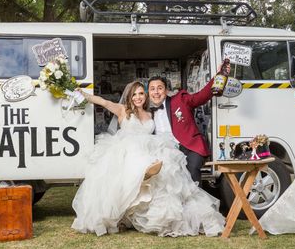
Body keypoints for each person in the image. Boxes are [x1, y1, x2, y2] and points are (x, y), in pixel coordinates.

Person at [71, 80, 225, 237]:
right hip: (127, 149)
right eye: (134, 94)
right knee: (134, 169)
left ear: (145, 96)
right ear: (129, 97)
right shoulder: (122, 110)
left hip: (147, 148)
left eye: (140, 94)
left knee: (163, 172)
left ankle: (150, 180)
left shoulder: (151, 113)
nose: (138, 97)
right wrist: (83, 94)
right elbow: (103, 101)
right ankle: (144, 174)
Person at [148, 61, 230, 183]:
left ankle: (195, 200)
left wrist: (220, 76)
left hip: (189, 147)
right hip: (164, 152)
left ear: (166, 91)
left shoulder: (180, 99)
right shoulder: (147, 112)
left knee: (191, 172)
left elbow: (201, 96)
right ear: (148, 92)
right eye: (152, 89)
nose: (156, 92)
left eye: (160, 88)